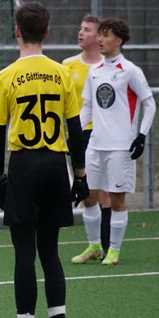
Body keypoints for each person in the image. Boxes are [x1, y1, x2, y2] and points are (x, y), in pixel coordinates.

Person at [0, 2, 88, 318]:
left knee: (23, 252)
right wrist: (80, 174)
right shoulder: (62, 74)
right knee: (50, 251)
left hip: (24, 165)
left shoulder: (6, 76)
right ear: (46, 32)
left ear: (17, 32)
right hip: (55, 165)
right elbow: (75, 129)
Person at [71, 17, 154, 267]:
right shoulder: (95, 71)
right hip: (95, 146)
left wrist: (141, 136)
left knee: (117, 200)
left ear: (118, 40)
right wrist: (75, 134)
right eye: (100, 34)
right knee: (88, 196)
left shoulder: (130, 71)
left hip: (121, 147)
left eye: (105, 35)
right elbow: (87, 106)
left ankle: (114, 250)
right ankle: (95, 246)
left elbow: (149, 103)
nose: (100, 39)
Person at [62, 14, 111, 254]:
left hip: (105, 135)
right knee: (87, 193)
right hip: (79, 133)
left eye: (87, 29)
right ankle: (94, 245)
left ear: (99, 36)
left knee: (106, 192)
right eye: (80, 28)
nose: (81, 33)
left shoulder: (109, 66)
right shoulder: (68, 65)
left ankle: (109, 246)